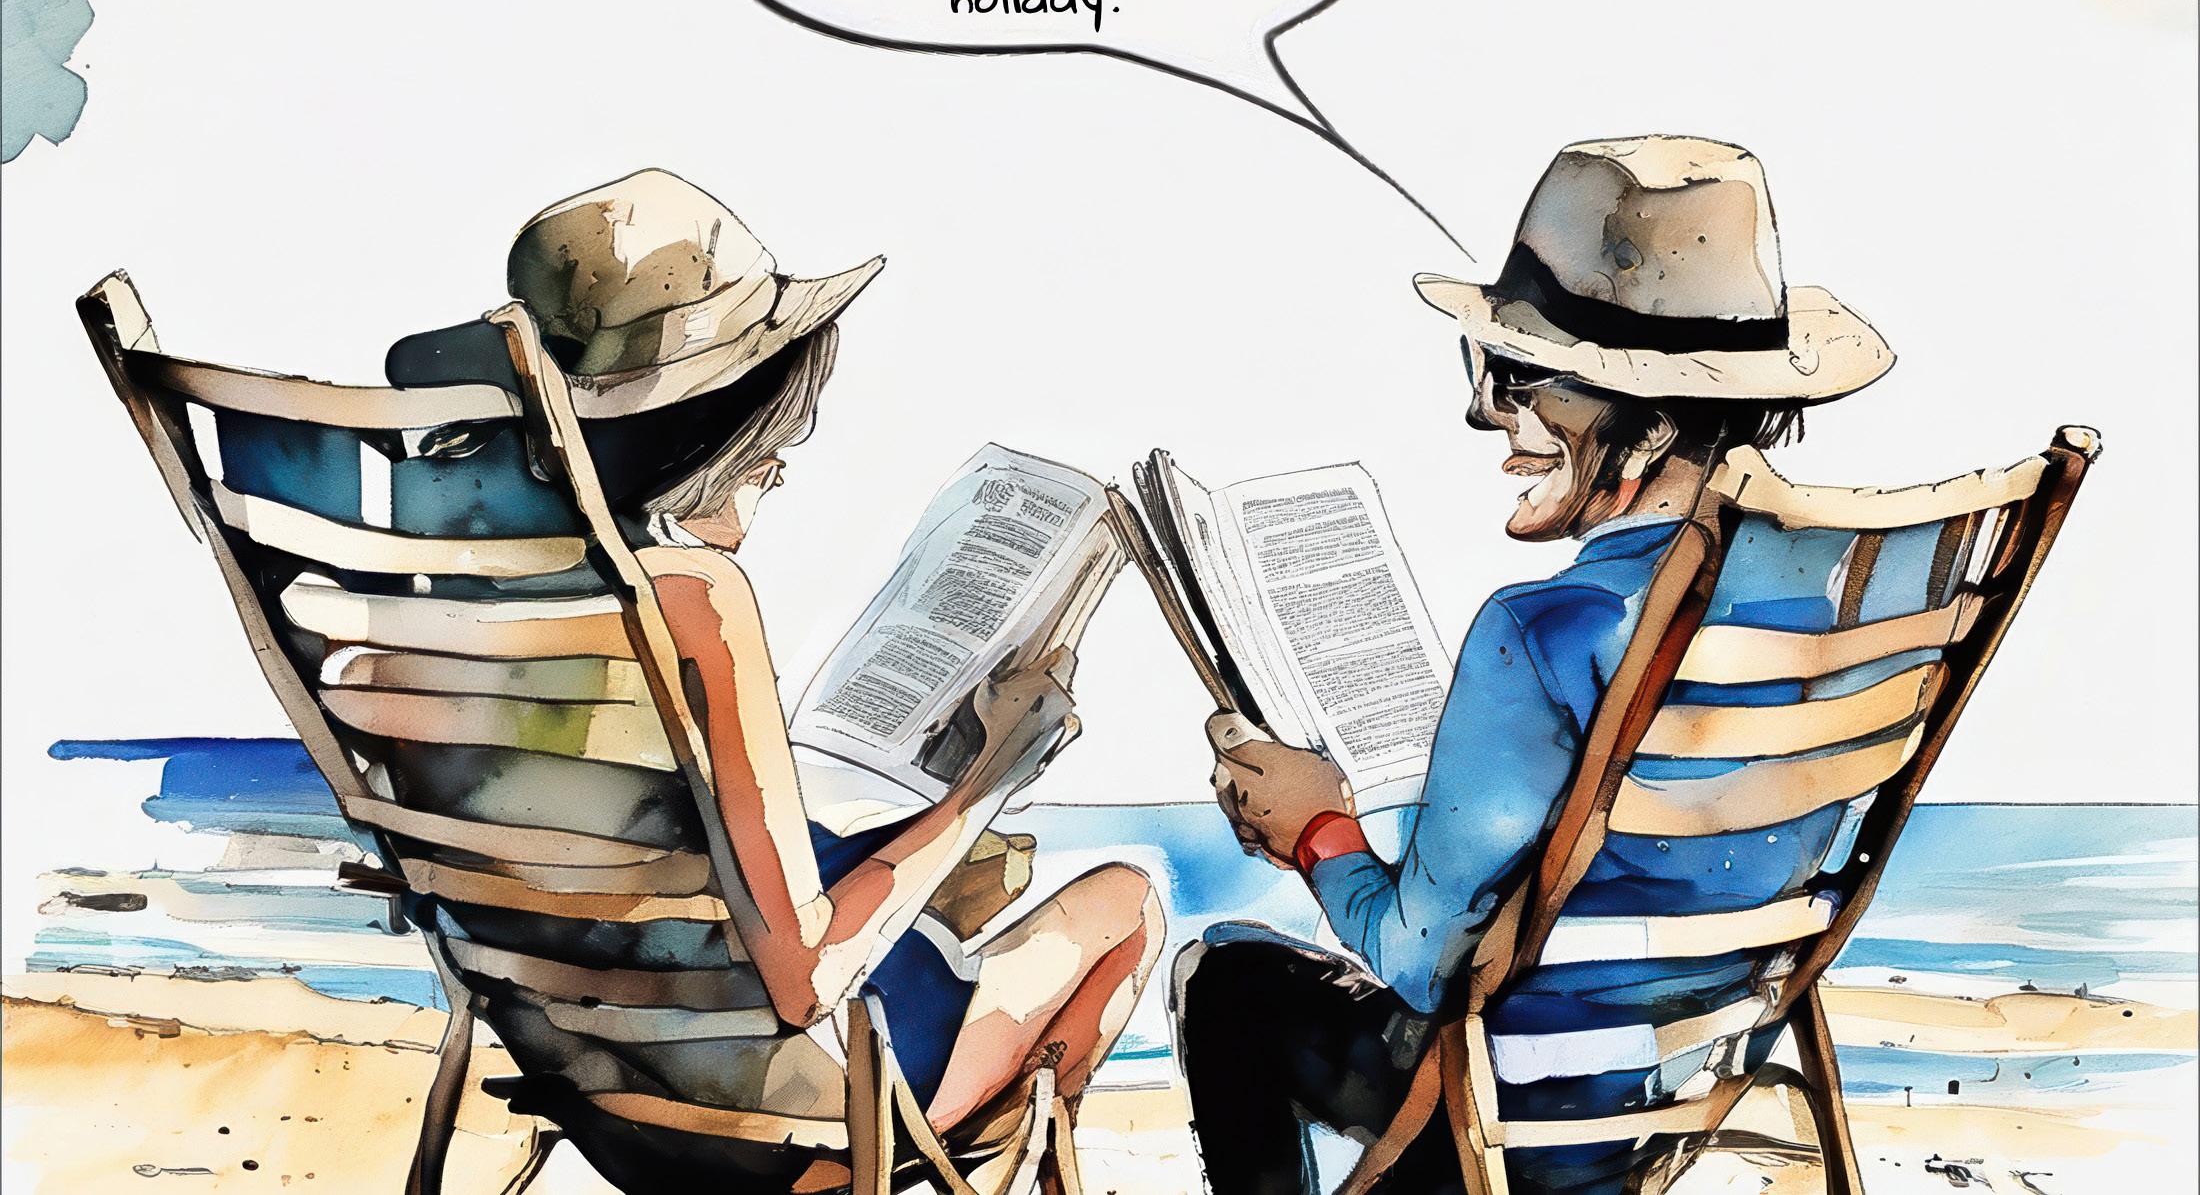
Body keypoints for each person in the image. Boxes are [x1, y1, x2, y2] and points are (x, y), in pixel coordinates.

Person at [1171, 137, 1895, 1194]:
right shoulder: (1832, 599)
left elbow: (1422, 962)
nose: (1485, 413)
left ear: (1645, 428)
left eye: (1519, 379)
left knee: (1229, 982)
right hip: (1695, 1085)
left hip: (1522, 1125)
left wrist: (1317, 831)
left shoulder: (1543, 628)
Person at [506, 169, 1165, 1152]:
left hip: (579, 1069)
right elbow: (803, 978)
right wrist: (984, 781)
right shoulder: (691, 600)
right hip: (757, 1115)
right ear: (710, 421)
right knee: (1124, 904)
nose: (783, 453)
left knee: (912, 882)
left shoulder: (468, 599)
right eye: (770, 414)